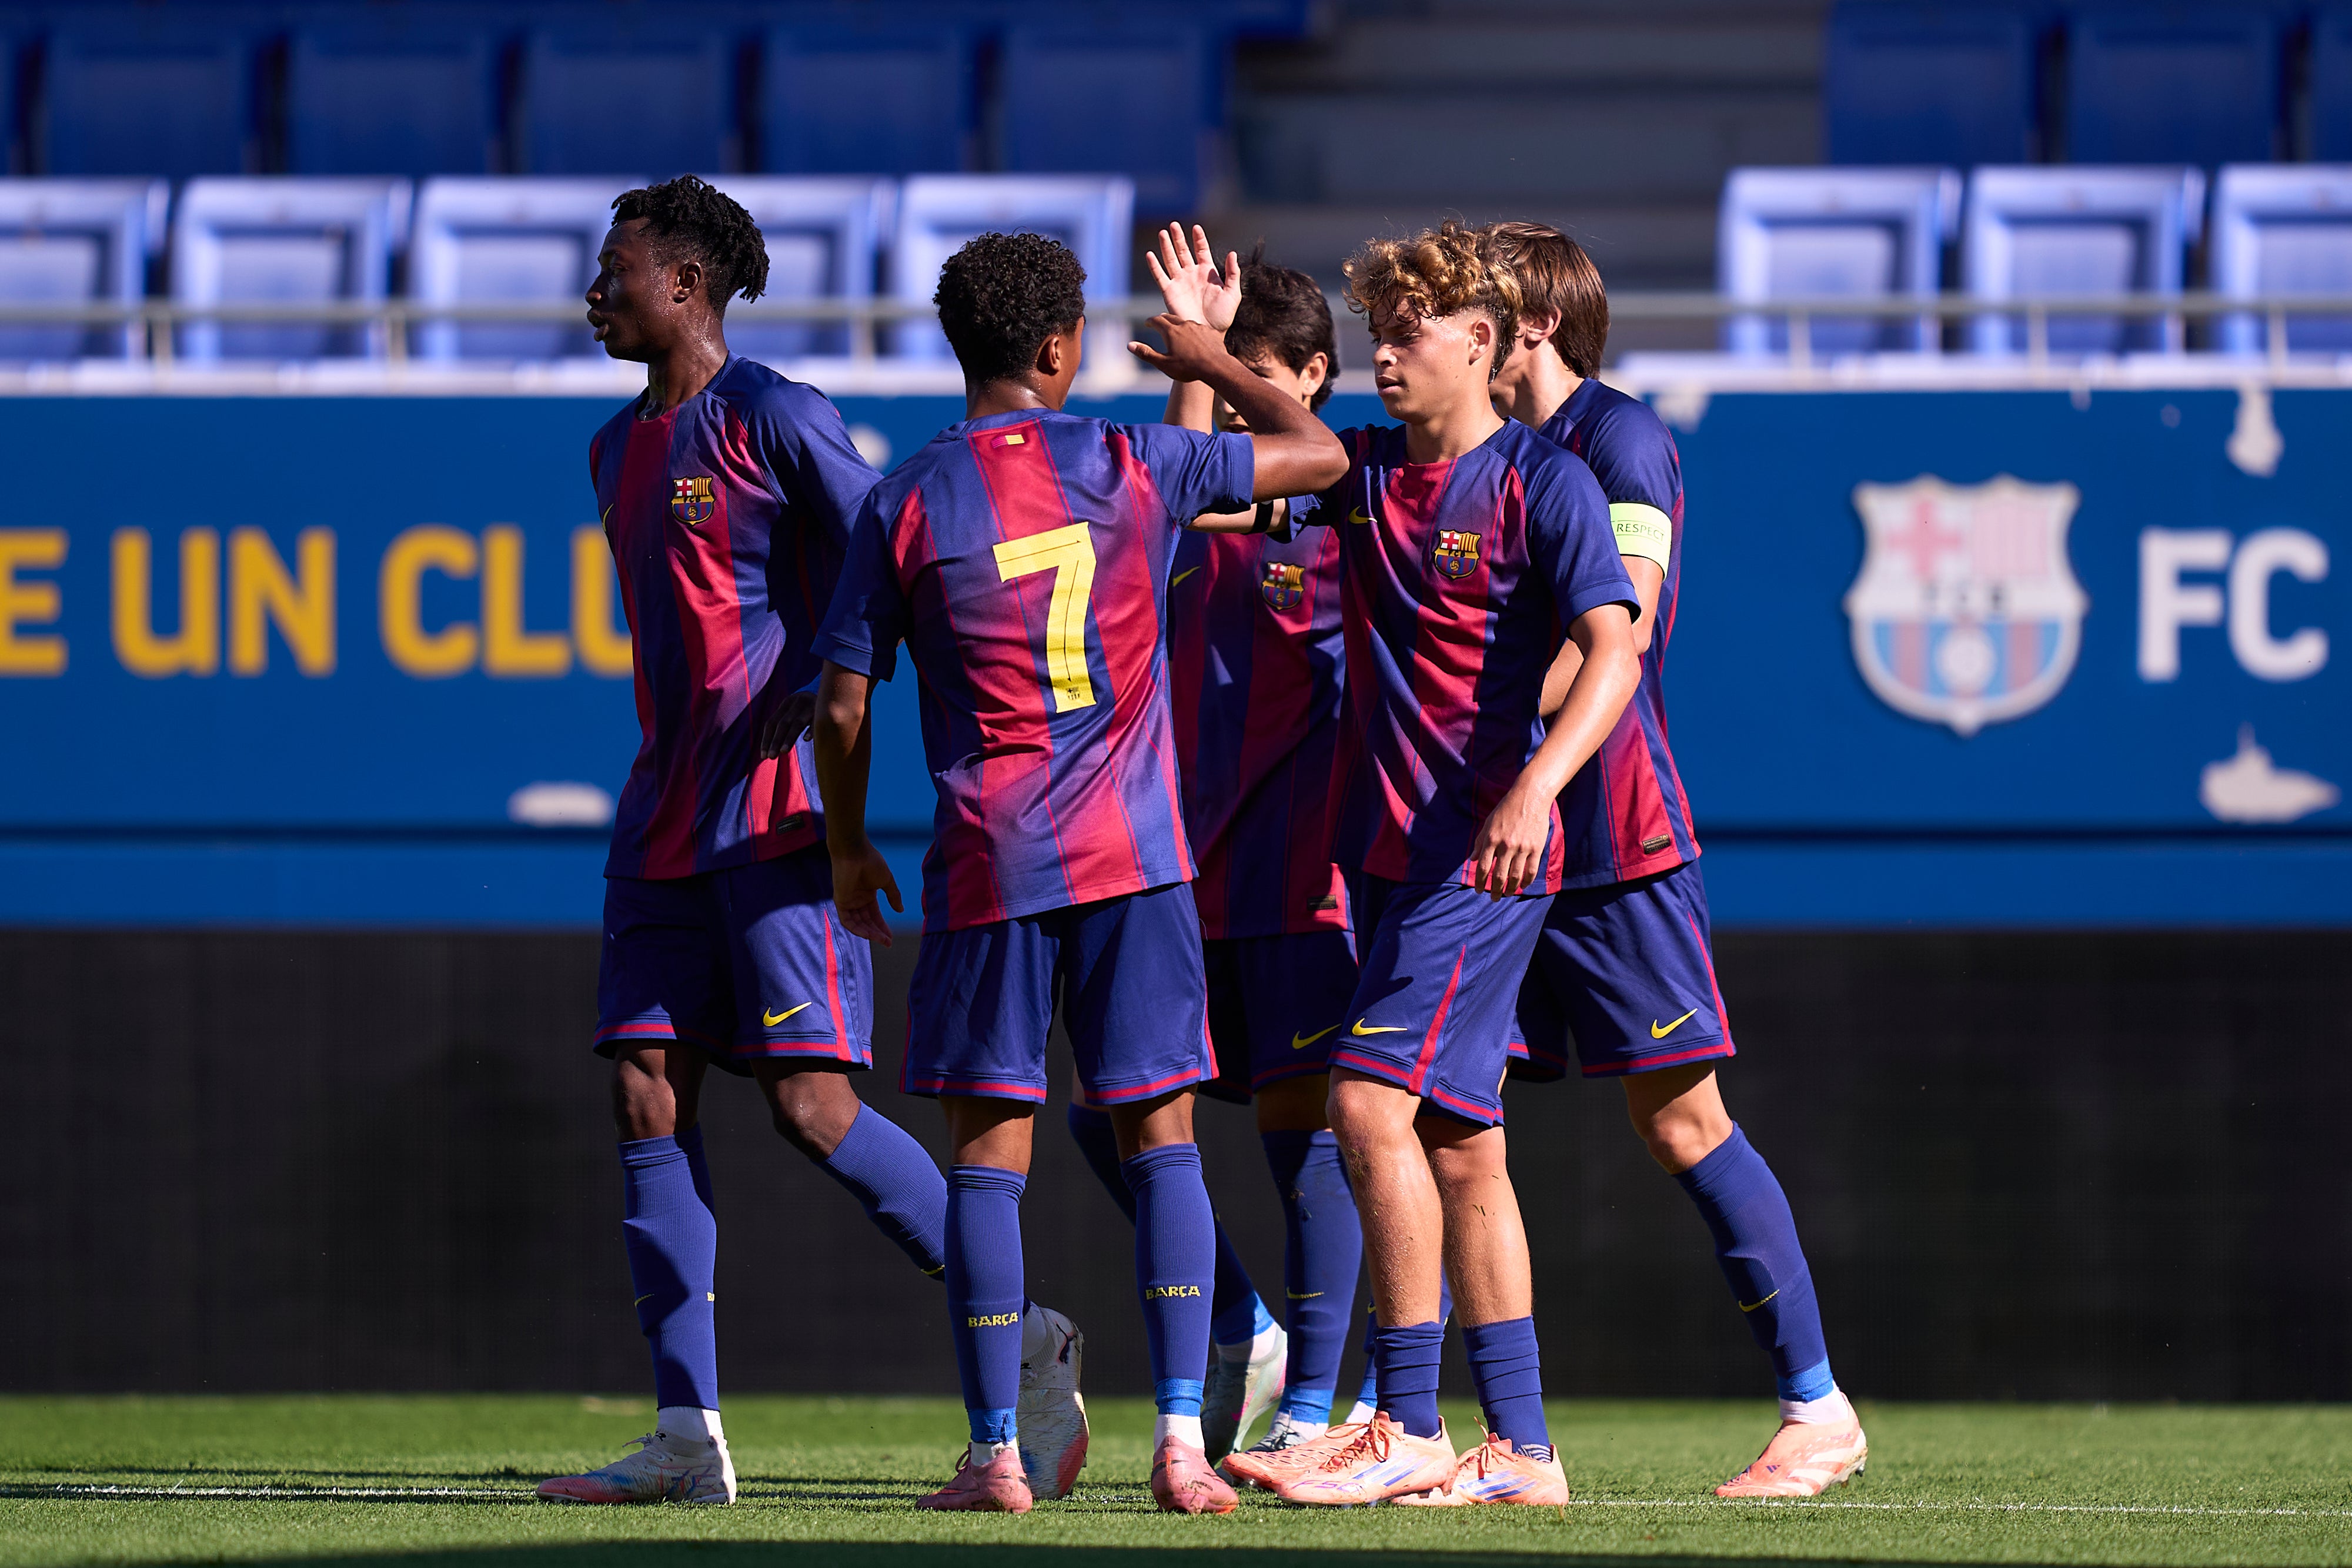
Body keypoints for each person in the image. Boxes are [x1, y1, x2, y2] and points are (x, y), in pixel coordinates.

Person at [535, 179, 1085, 1507]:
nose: (597, 292)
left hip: (776, 811)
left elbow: (891, 552)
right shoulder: (611, 449)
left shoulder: (776, 416)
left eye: (616, 269)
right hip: (661, 817)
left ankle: (1027, 1334)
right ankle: (686, 1434)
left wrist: (832, 683)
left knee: (812, 1106)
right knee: (643, 1088)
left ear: (684, 284)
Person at [808, 231, 1349, 1513]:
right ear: (1061, 348)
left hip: (988, 862)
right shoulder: (1130, 459)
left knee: (986, 1165)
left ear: (962, 347)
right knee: (1162, 1144)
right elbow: (1321, 456)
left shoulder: (905, 499)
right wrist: (1208, 354)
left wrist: (845, 842)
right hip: (1134, 858)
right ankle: (1181, 1446)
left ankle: (997, 1452)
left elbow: (840, 705)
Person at [1259, 221, 1643, 1508]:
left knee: (1366, 1109)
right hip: (1386, 857)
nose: (1383, 356)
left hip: (1480, 857)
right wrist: (1204, 359)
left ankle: (1406, 1421)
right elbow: (1217, 484)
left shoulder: (1545, 482)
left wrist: (1536, 785)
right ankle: (1521, 1451)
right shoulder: (1362, 471)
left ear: (1479, 342)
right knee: (1462, 1144)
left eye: (1407, 334)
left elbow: (1615, 650)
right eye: (1376, 333)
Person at [1482, 220, 1866, 1499]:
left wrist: (1466, 720)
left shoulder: (1621, 438)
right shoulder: (1483, 453)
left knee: (1680, 1117)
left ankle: (1817, 1407)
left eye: (1484, 308)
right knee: (1424, 1114)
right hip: (1488, 835)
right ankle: (1454, 1428)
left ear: (1536, 322)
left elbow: (1621, 631)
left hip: (1608, 837)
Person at [1064, 228, 1369, 1471]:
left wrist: (1208, 360)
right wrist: (1193, 352)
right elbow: (1182, 481)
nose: (1232, 396)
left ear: (1310, 377)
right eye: (1218, 376)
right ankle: (1247, 1324)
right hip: (1180, 864)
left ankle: (1313, 1403)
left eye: (1253, 373)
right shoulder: (1184, 503)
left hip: (1300, 866)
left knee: (1303, 1121)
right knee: (1110, 1112)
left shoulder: (1344, 508)